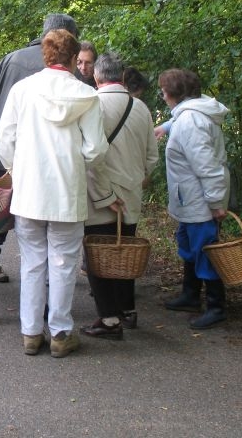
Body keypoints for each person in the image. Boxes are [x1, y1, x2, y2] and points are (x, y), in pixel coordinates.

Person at [0, 29, 107, 358]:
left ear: (46, 56)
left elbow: (4, 140)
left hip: (29, 192)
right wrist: (74, 163)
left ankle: (31, 333)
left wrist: (18, 168)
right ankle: (60, 333)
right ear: (73, 58)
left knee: (32, 263)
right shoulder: (87, 96)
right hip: (66, 193)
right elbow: (96, 148)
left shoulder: (22, 90)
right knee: (63, 263)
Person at [0, 13, 80, 326]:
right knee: (44, 239)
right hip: (46, 166)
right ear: (69, 39)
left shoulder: (10, 60)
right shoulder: (68, 71)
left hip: (0, 161)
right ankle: (44, 312)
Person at [82, 53, 159, 340]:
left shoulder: (92, 104)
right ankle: (127, 309)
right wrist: (136, 181)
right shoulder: (140, 108)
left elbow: (90, 157)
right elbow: (152, 157)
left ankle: (109, 319)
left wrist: (104, 195)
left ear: (96, 76)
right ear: (122, 76)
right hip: (131, 193)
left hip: (99, 194)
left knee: (98, 257)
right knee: (125, 252)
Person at [159, 68, 231, 329]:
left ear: (172, 93)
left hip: (201, 202)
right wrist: (164, 127)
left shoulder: (190, 121)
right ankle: (190, 295)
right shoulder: (189, 115)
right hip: (190, 199)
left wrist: (216, 203)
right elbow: (181, 124)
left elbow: (207, 167)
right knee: (189, 245)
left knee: (205, 251)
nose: (162, 95)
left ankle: (216, 306)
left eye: (163, 91)